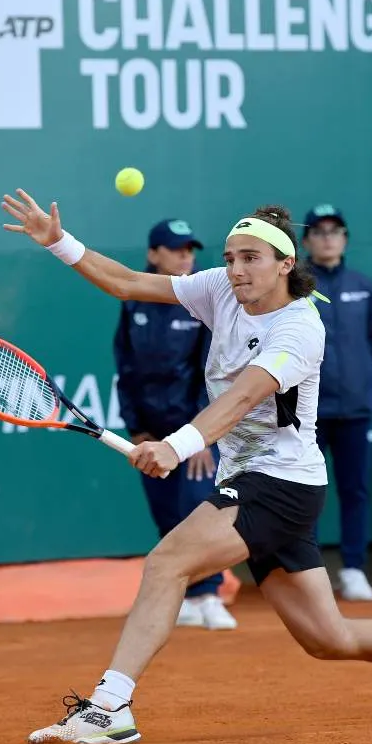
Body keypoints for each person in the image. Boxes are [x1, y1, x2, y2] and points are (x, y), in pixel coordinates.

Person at [0, 189, 372, 744]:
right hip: (265, 482)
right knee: (329, 638)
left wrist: (175, 446)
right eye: (230, 257)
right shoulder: (217, 289)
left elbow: (246, 396)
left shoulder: (301, 329)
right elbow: (129, 283)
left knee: (166, 563)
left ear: (285, 263)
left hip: (278, 483)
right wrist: (57, 240)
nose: (235, 268)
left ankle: (109, 708)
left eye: (250, 257)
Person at [113, 218, 236, 631]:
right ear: (153, 255)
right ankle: (186, 597)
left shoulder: (202, 303)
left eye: (190, 248)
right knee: (167, 514)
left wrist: (201, 435)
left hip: (195, 432)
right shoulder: (134, 305)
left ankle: (211, 594)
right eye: (176, 248)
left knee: (198, 511)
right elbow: (126, 369)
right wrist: (137, 429)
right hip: (151, 431)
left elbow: (211, 371)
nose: (186, 255)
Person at [302, 204, 372, 602]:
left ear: (345, 238)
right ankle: (310, 574)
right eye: (318, 232)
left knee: (355, 490)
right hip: (308, 411)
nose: (326, 238)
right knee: (306, 492)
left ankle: (353, 569)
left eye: (334, 231)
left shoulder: (365, 286)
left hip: (355, 410)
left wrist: (357, 378)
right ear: (306, 241)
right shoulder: (295, 286)